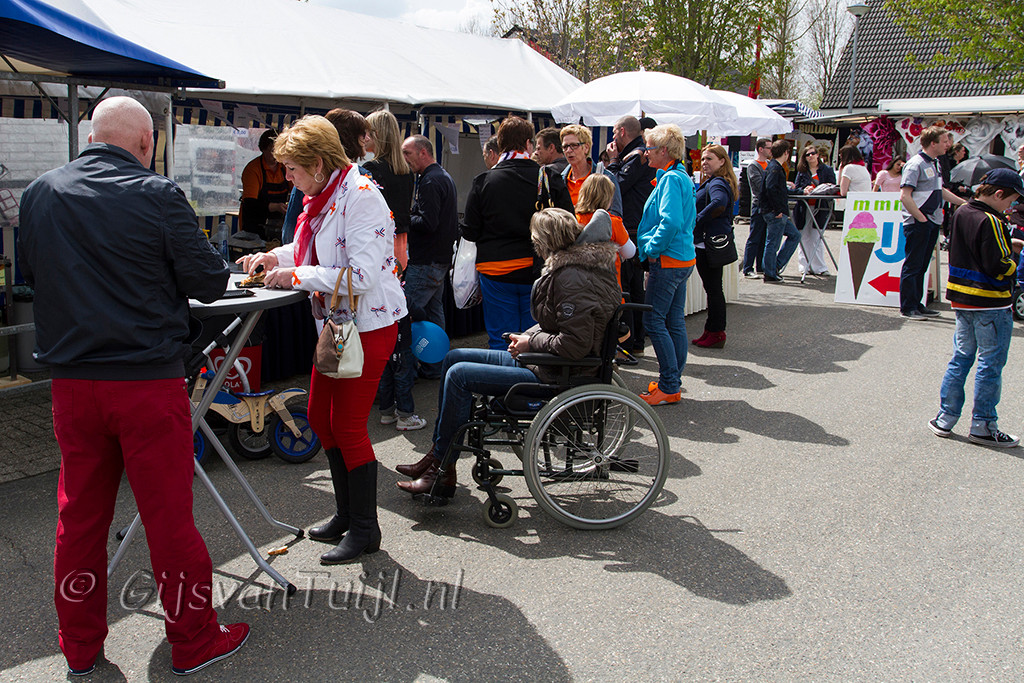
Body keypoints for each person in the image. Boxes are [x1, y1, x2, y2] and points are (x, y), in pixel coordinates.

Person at [17, 96, 247, 677]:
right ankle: (193, 640)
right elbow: (208, 280)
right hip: (145, 381)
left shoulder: (40, 192)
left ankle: (79, 647)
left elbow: (33, 274)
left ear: (92, 138)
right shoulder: (158, 194)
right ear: (147, 143)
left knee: (79, 520)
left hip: (73, 383)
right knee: (169, 520)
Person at [239, 115, 405, 564]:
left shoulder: (361, 195)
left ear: (316, 163)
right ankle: (347, 516)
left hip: (368, 326)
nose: (287, 176)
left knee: (347, 425)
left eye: (292, 168)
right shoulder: (325, 194)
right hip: (339, 326)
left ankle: (366, 529)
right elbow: (313, 252)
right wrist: (273, 256)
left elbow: (362, 276)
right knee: (319, 416)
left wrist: (296, 275)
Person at [395, 208, 621, 495]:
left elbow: (574, 344)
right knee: (454, 357)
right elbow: (561, 327)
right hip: (549, 364)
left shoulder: (572, 278)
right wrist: (528, 336)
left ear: (545, 241)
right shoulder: (576, 271)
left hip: (556, 375)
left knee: (459, 375)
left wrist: (530, 343)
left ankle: (442, 468)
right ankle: (438, 457)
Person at [929, 169, 1024, 447]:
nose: (1011, 207)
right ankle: (983, 423)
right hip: (989, 301)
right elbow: (998, 265)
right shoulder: (992, 220)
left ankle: (945, 417)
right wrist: (1014, 256)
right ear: (998, 194)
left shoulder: (962, 211)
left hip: (962, 299)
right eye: (1011, 201)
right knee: (990, 364)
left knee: (961, 359)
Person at [461, 115, 573, 349]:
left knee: (501, 339)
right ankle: (530, 373)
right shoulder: (549, 178)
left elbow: (470, 231)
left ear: (500, 145)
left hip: (496, 271)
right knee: (536, 339)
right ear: (528, 144)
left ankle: (503, 372)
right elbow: (568, 224)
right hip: (540, 270)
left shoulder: (483, 181)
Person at [364, 110, 422, 431]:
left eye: (368, 132)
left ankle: (391, 406)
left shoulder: (370, 171)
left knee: (387, 330)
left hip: (381, 246)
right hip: (401, 248)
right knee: (398, 329)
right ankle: (398, 407)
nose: (364, 138)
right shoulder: (406, 171)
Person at [636, 124, 696, 406]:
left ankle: (670, 384)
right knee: (673, 321)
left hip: (669, 261)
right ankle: (672, 382)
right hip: (681, 259)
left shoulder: (672, 178)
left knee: (654, 320)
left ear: (663, 150)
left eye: (649, 148)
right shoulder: (680, 175)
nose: (645, 153)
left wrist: (651, 249)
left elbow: (670, 222)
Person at [401, 134, 458, 379]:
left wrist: (403, 216)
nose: (405, 159)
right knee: (434, 314)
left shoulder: (431, 181)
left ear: (423, 152)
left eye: (407, 153)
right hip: (438, 259)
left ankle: (405, 373)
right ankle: (435, 366)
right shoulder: (441, 176)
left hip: (426, 261)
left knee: (406, 313)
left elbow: (428, 222)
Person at [899, 125, 968, 318]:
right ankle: (908, 307)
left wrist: (964, 203)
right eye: (944, 141)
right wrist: (920, 218)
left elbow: (941, 190)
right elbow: (905, 196)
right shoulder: (915, 164)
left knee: (922, 265)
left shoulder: (935, 163)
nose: (948, 145)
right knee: (913, 265)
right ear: (932, 143)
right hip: (919, 221)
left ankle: (917, 303)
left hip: (932, 221)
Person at [606, 115, 657, 356]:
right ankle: (636, 342)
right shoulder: (637, 154)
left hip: (631, 229)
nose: (612, 137)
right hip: (636, 227)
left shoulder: (635, 156)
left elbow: (614, 186)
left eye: (614, 132)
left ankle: (628, 344)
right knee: (635, 287)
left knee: (627, 287)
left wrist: (613, 161)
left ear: (622, 132)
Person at [281, 109, 371, 243]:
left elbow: (289, 232)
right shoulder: (361, 177)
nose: (367, 138)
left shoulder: (362, 185)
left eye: (291, 168)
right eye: (363, 134)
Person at [692, 144, 737, 349]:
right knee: (713, 288)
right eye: (703, 159)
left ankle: (716, 331)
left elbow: (719, 203)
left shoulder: (717, 182)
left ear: (721, 161)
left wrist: (697, 219)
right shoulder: (716, 181)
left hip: (708, 244)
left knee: (713, 289)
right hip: (709, 242)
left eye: (709, 159)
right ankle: (712, 330)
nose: (704, 163)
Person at [574, 173, 635, 294]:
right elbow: (630, 252)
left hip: (579, 289)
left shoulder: (573, 219)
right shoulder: (613, 222)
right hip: (608, 291)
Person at [560, 124, 623, 217]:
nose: (569, 150)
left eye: (574, 145)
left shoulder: (605, 177)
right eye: (565, 147)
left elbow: (615, 214)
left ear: (586, 148)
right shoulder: (561, 179)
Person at [760, 139, 801, 283]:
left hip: (774, 210)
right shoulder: (775, 168)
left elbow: (777, 189)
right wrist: (777, 209)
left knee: (794, 235)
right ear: (786, 153)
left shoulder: (774, 166)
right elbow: (771, 188)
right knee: (773, 242)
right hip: (775, 211)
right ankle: (770, 272)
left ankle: (774, 266)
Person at [240, 128, 291, 239]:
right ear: (263, 149)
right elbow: (250, 204)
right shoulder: (253, 169)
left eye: (279, 151)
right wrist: (275, 207)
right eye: (272, 151)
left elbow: (297, 190)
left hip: (276, 226)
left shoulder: (285, 168)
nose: (276, 155)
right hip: (254, 227)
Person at [794, 144, 837, 277]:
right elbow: (797, 187)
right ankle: (804, 266)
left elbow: (833, 186)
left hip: (820, 206)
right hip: (804, 207)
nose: (811, 156)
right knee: (803, 236)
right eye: (808, 155)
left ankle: (819, 267)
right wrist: (804, 189)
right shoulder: (802, 171)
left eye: (813, 153)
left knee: (816, 236)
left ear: (818, 155)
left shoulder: (827, 170)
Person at [741, 137, 773, 278]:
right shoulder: (753, 166)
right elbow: (759, 185)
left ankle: (761, 266)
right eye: (769, 148)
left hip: (768, 205)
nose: (771, 151)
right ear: (761, 149)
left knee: (764, 236)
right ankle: (748, 268)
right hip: (759, 205)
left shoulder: (769, 164)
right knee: (755, 236)